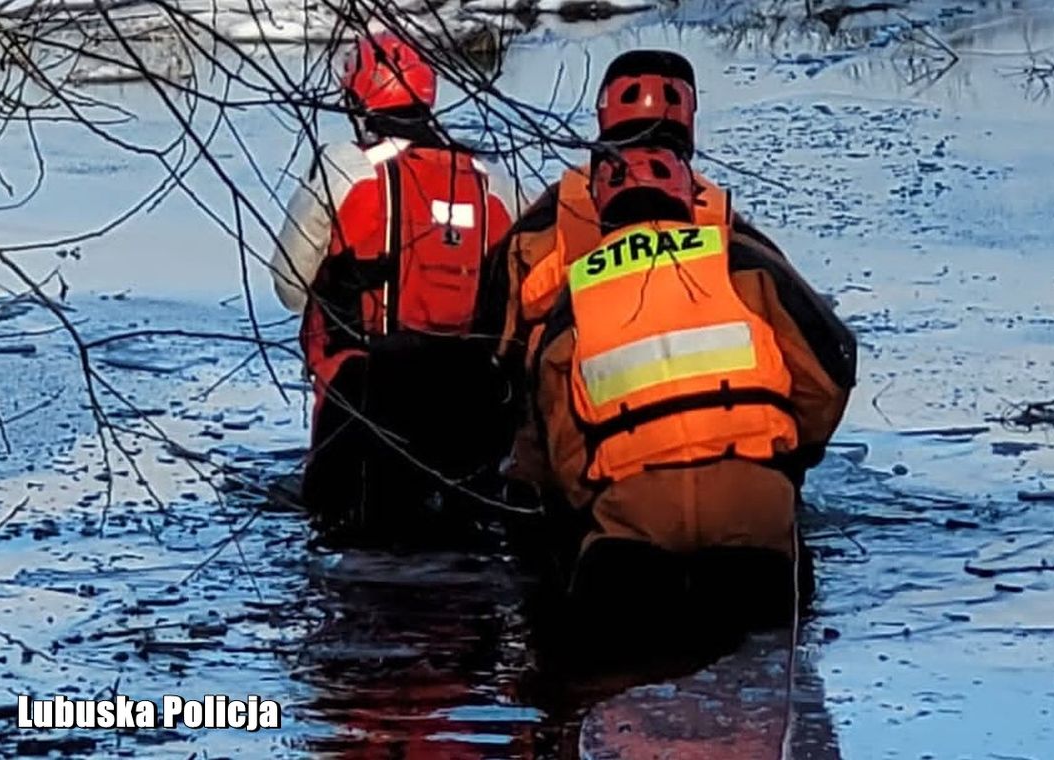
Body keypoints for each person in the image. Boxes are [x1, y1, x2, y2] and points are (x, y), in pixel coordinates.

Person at [530, 146, 857, 657]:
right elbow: (831, 363)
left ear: (600, 205)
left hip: (634, 531)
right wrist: (789, 458)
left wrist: (596, 499)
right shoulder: (739, 258)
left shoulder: (576, 293)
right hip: (753, 514)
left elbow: (559, 439)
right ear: (686, 196)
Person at [492, 49, 787, 490]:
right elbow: (803, 338)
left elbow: (500, 342)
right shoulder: (722, 219)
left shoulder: (548, 218)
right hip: (735, 455)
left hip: (590, 458)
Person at [270, 32, 519, 545]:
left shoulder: (344, 167)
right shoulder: (493, 182)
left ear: (357, 97)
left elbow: (288, 286)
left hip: (365, 404)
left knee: (352, 547)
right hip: (470, 411)